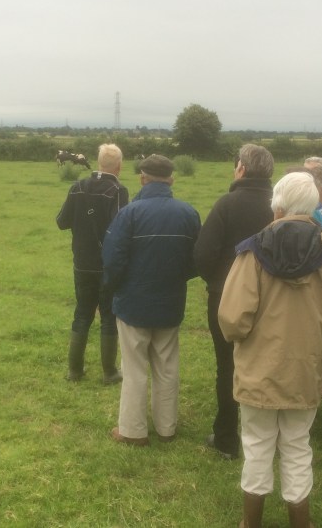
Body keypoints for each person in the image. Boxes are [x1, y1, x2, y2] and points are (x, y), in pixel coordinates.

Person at [219, 172, 322, 528]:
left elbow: (232, 319)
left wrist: (247, 338)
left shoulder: (252, 251)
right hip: (306, 370)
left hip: (258, 368)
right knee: (296, 446)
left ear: (277, 204)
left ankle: (251, 523)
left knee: (257, 446)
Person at [103, 154, 201, 445]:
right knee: (167, 367)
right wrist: (176, 279)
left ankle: (132, 431)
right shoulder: (189, 213)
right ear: (171, 179)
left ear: (142, 178)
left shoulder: (129, 214)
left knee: (134, 370)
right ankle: (166, 428)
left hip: (133, 304)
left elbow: (112, 259)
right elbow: (196, 260)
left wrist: (115, 289)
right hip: (170, 303)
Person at [194, 144, 275, 460]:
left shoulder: (227, 204)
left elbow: (203, 254)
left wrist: (218, 280)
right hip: (274, 300)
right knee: (267, 363)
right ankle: (267, 439)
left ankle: (227, 438)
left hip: (226, 298)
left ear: (241, 168)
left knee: (227, 365)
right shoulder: (280, 205)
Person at [56, 143, 129, 384]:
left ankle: (74, 370)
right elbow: (121, 229)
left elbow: (61, 222)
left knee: (82, 312)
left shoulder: (77, 186)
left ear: (98, 163)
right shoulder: (118, 191)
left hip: (82, 262)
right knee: (108, 315)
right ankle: (109, 372)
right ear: (119, 166)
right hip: (107, 264)